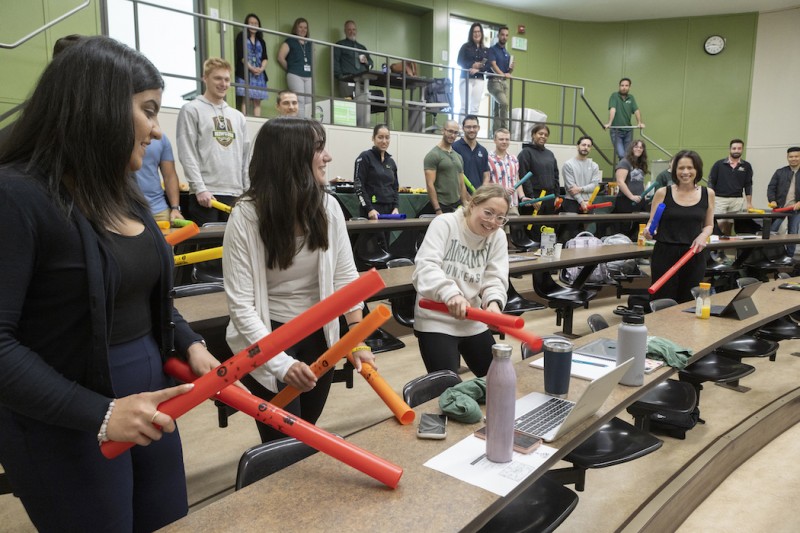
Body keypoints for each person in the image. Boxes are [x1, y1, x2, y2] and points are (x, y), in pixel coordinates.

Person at [0, 36, 221, 531]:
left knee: (169, 522)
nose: (156, 130)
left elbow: (145, 296)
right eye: (147, 110)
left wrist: (191, 343)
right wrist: (100, 414)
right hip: (67, 424)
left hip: (151, 408)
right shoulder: (16, 197)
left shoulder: (121, 192)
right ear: (98, 107)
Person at [223, 117, 375, 443]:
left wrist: (357, 340)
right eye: (318, 148)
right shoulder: (246, 216)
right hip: (266, 337)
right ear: (291, 157)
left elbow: (346, 279)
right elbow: (242, 306)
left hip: (319, 337)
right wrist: (280, 364)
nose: (328, 156)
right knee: (283, 443)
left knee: (306, 432)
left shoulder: (328, 206)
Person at [412, 183, 510, 377]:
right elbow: (425, 268)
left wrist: (493, 303)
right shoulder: (446, 223)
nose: (493, 222)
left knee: (497, 379)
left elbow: (495, 277)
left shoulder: (497, 236)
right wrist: (450, 293)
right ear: (472, 205)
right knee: (448, 390)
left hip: (473, 318)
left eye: (500, 218)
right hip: (436, 319)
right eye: (488, 213)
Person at [176, 57, 250, 226]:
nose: (223, 83)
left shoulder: (238, 117)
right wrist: (200, 188)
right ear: (205, 78)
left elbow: (246, 157)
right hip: (206, 195)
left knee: (233, 250)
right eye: (218, 78)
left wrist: (247, 192)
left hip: (235, 194)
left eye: (226, 79)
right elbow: (187, 152)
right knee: (209, 249)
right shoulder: (191, 110)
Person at [645, 150, 714, 303]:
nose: (685, 172)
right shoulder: (663, 193)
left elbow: (709, 225)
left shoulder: (708, 193)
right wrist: (649, 230)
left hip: (693, 254)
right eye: (681, 168)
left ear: (697, 169)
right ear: (674, 170)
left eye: (690, 168)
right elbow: (652, 222)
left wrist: (703, 236)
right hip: (664, 253)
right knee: (662, 299)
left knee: (688, 301)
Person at [518, 123, 559, 238]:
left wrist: (556, 195)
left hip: (550, 198)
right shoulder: (526, 153)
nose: (543, 136)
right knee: (533, 230)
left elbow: (555, 175)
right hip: (534, 198)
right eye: (540, 133)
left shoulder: (550, 154)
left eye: (546, 134)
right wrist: (532, 197)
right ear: (533, 135)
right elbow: (523, 176)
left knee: (548, 229)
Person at [423, 120, 470, 216]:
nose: (453, 135)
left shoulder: (458, 157)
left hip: (457, 206)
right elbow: (430, 184)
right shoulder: (433, 155)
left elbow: (461, 184)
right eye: (450, 131)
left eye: (456, 132)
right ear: (443, 131)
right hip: (441, 205)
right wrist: (437, 209)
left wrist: (465, 203)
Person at [707, 139, 754, 236]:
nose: (736, 150)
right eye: (734, 148)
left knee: (729, 224)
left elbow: (748, 184)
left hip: (737, 199)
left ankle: (724, 247)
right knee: (719, 223)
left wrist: (749, 203)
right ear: (730, 149)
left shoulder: (746, 166)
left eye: (739, 148)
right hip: (720, 199)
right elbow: (711, 182)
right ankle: (716, 248)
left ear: (742, 149)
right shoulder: (718, 164)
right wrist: (711, 199)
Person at [354, 124, 399, 220]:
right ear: (373, 138)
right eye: (380, 137)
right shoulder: (365, 157)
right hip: (372, 211)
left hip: (390, 211)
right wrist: (369, 209)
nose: (384, 141)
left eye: (387, 138)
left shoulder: (391, 162)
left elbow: (395, 187)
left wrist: (396, 207)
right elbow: (358, 186)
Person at [135, 133, 184, 222]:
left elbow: (170, 176)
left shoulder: (161, 139)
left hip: (158, 210)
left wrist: (175, 208)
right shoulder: (116, 134)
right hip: (123, 211)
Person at [560, 135, 601, 240]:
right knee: (571, 234)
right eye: (583, 145)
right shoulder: (568, 164)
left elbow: (595, 185)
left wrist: (580, 189)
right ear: (577, 146)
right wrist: (581, 202)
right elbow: (570, 187)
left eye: (588, 146)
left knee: (584, 234)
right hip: (572, 203)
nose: (585, 147)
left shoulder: (594, 165)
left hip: (589, 203)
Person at [608, 139, 649, 239]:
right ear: (631, 148)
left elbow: (640, 182)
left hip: (639, 199)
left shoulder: (640, 164)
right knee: (624, 226)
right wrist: (631, 196)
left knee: (639, 226)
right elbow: (620, 182)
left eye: (641, 147)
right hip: (625, 200)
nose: (638, 149)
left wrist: (643, 196)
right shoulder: (624, 162)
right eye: (636, 147)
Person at [767, 146, 800, 257]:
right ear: (787, 157)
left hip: (796, 209)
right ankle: (770, 254)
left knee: (793, 233)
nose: (793, 159)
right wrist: (772, 200)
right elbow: (771, 187)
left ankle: (789, 257)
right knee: (772, 231)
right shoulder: (780, 172)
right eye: (791, 156)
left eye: (796, 156)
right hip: (780, 208)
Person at [234, 13, 269, 117]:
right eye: (251, 23)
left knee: (257, 100)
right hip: (246, 71)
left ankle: (257, 120)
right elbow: (241, 55)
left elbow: (265, 57)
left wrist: (261, 69)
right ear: (246, 24)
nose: (253, 25)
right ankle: (245, 120)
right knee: (246, 98)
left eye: (256, 23)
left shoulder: (261, 40)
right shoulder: (241, 36)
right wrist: (251, 68)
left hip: (259, 73)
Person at [277, 18, 312, 117]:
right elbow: (280, 57)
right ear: (295, 28)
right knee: (299, 100)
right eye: (300, 27)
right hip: (295, 74)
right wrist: (291, 68)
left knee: (309, 101)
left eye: (305, 27)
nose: (303, 29)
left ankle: (308, 123)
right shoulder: (290, 41)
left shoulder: (309, 43)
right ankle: (300, 123)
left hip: (308, 75)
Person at [604, 78, 644, 160]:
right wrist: (609, 123)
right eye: (622, 85)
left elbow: (636, 110)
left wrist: (639, 122)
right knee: (622, 155)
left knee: (628, 156)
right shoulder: (614, 96)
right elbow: (613, 109)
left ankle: (623, 171)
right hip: (616, 131)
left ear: (629, 87)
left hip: (628, 131)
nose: (624, 87)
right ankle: (621, 171)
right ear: (619, 86)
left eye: (626, 85)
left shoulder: (631, 98)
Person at [333, 20, 372, 98]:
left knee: (362, 106)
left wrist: (367, 62)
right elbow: (335, 63)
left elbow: (371, 64)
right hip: (347, 80)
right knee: (349, 106)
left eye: (353, 29)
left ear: (356, 31)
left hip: (361, 81)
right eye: (349, 29)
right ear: (345, 31)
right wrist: (341, 77)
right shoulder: (340, 45)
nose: (352, 32)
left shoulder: (362, 48)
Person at [456, 22, 489, 116]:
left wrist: (478, 70)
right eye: (474, 32)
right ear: (471, 34)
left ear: (481, 33)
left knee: (475, 107)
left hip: (479, 79)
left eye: (479, 31)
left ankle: (473, 129)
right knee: (464, 106)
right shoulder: (465, 46)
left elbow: (488, 65)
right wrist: (472, 65)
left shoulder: (486, 50)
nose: (477, 34)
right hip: (466, 78)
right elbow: (459, 61)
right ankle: (461, 130)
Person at [452, 114, 490, 191]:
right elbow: (453, 175)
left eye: (474, 127)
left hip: (477, 197)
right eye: (468, 127)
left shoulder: (483, 151)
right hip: (459, 197)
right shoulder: (454, 148)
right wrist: (465, 195)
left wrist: (481, 191)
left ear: (478, 128)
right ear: (463, 128)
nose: (472, 130)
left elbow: (486, 175)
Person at [487, 26, 513, 133]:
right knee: (504, 104)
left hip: (503, 83)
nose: (504, 37)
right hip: (494, 82)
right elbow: (493, 65)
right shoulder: (492, 50)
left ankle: (495, 133)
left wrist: (511, 69)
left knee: (497, 110)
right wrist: (503, 74)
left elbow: (507, 72)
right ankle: (505, 130)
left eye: (506, 35)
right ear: (498, 35)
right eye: (502, 35)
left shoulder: (507, 53)